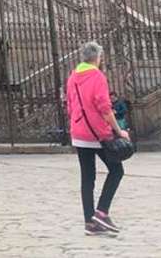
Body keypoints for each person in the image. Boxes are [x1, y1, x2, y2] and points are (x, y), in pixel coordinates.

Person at [66, 41, 130, 237]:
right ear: (98, 58)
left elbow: (69, 105)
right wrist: (119, 131)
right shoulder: (97, 76)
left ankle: (89, 222)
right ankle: (102, 212)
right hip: (97, 133)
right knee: (117, 170)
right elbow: (104, 108)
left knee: (87, 178)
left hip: (78, 133)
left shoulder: (72, 77)